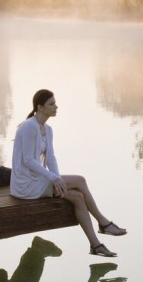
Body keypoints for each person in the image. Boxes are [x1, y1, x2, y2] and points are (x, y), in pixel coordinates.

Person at [11, 89, 126, 257]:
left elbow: (51, 158)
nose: (56, 107)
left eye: (55, 103)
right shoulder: (29, 126)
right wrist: (54, 178)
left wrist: (58, 181)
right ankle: (103, 223)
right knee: (80, 180)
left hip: (38, 181)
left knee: (78, 198)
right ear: (40, 107)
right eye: (51, 104)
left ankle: (95, 246)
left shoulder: (47, 129)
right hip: (25, 185)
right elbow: (28, 160)